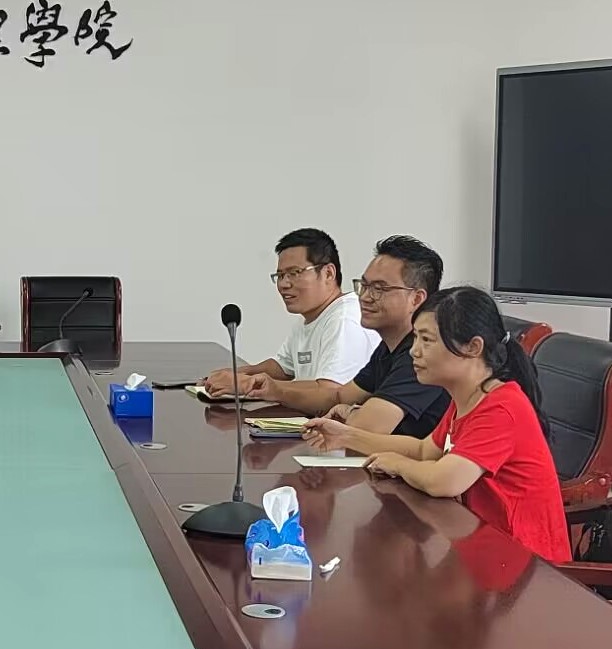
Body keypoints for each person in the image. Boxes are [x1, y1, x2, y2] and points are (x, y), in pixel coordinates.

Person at [303, 286, 569, 563]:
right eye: (416, 338)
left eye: (427, 340)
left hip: (526, 565)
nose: (414, 351)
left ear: (473, 347)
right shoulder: (467, 398)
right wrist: (346, 436)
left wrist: (398, 464)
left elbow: (445, 481)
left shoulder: (501, 408)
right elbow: (424, 450)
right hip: (484, 549)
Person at [245, 235, 450, 438]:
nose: (365, 297)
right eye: (364, 285)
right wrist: (275, 390)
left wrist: (351, 412)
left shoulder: (423, 354)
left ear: (416, 298)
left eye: (379, 289)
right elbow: (338, 396)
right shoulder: (387, 349)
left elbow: (367, 427)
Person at [202, 228, 376, 396]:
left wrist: (247, 383)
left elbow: (330, 391)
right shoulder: (311, 316)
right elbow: (282, 367)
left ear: (328, 274)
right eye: (280, 276)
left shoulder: (345, 319)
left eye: (294, 273)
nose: (284, 284)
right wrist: (234, 374)